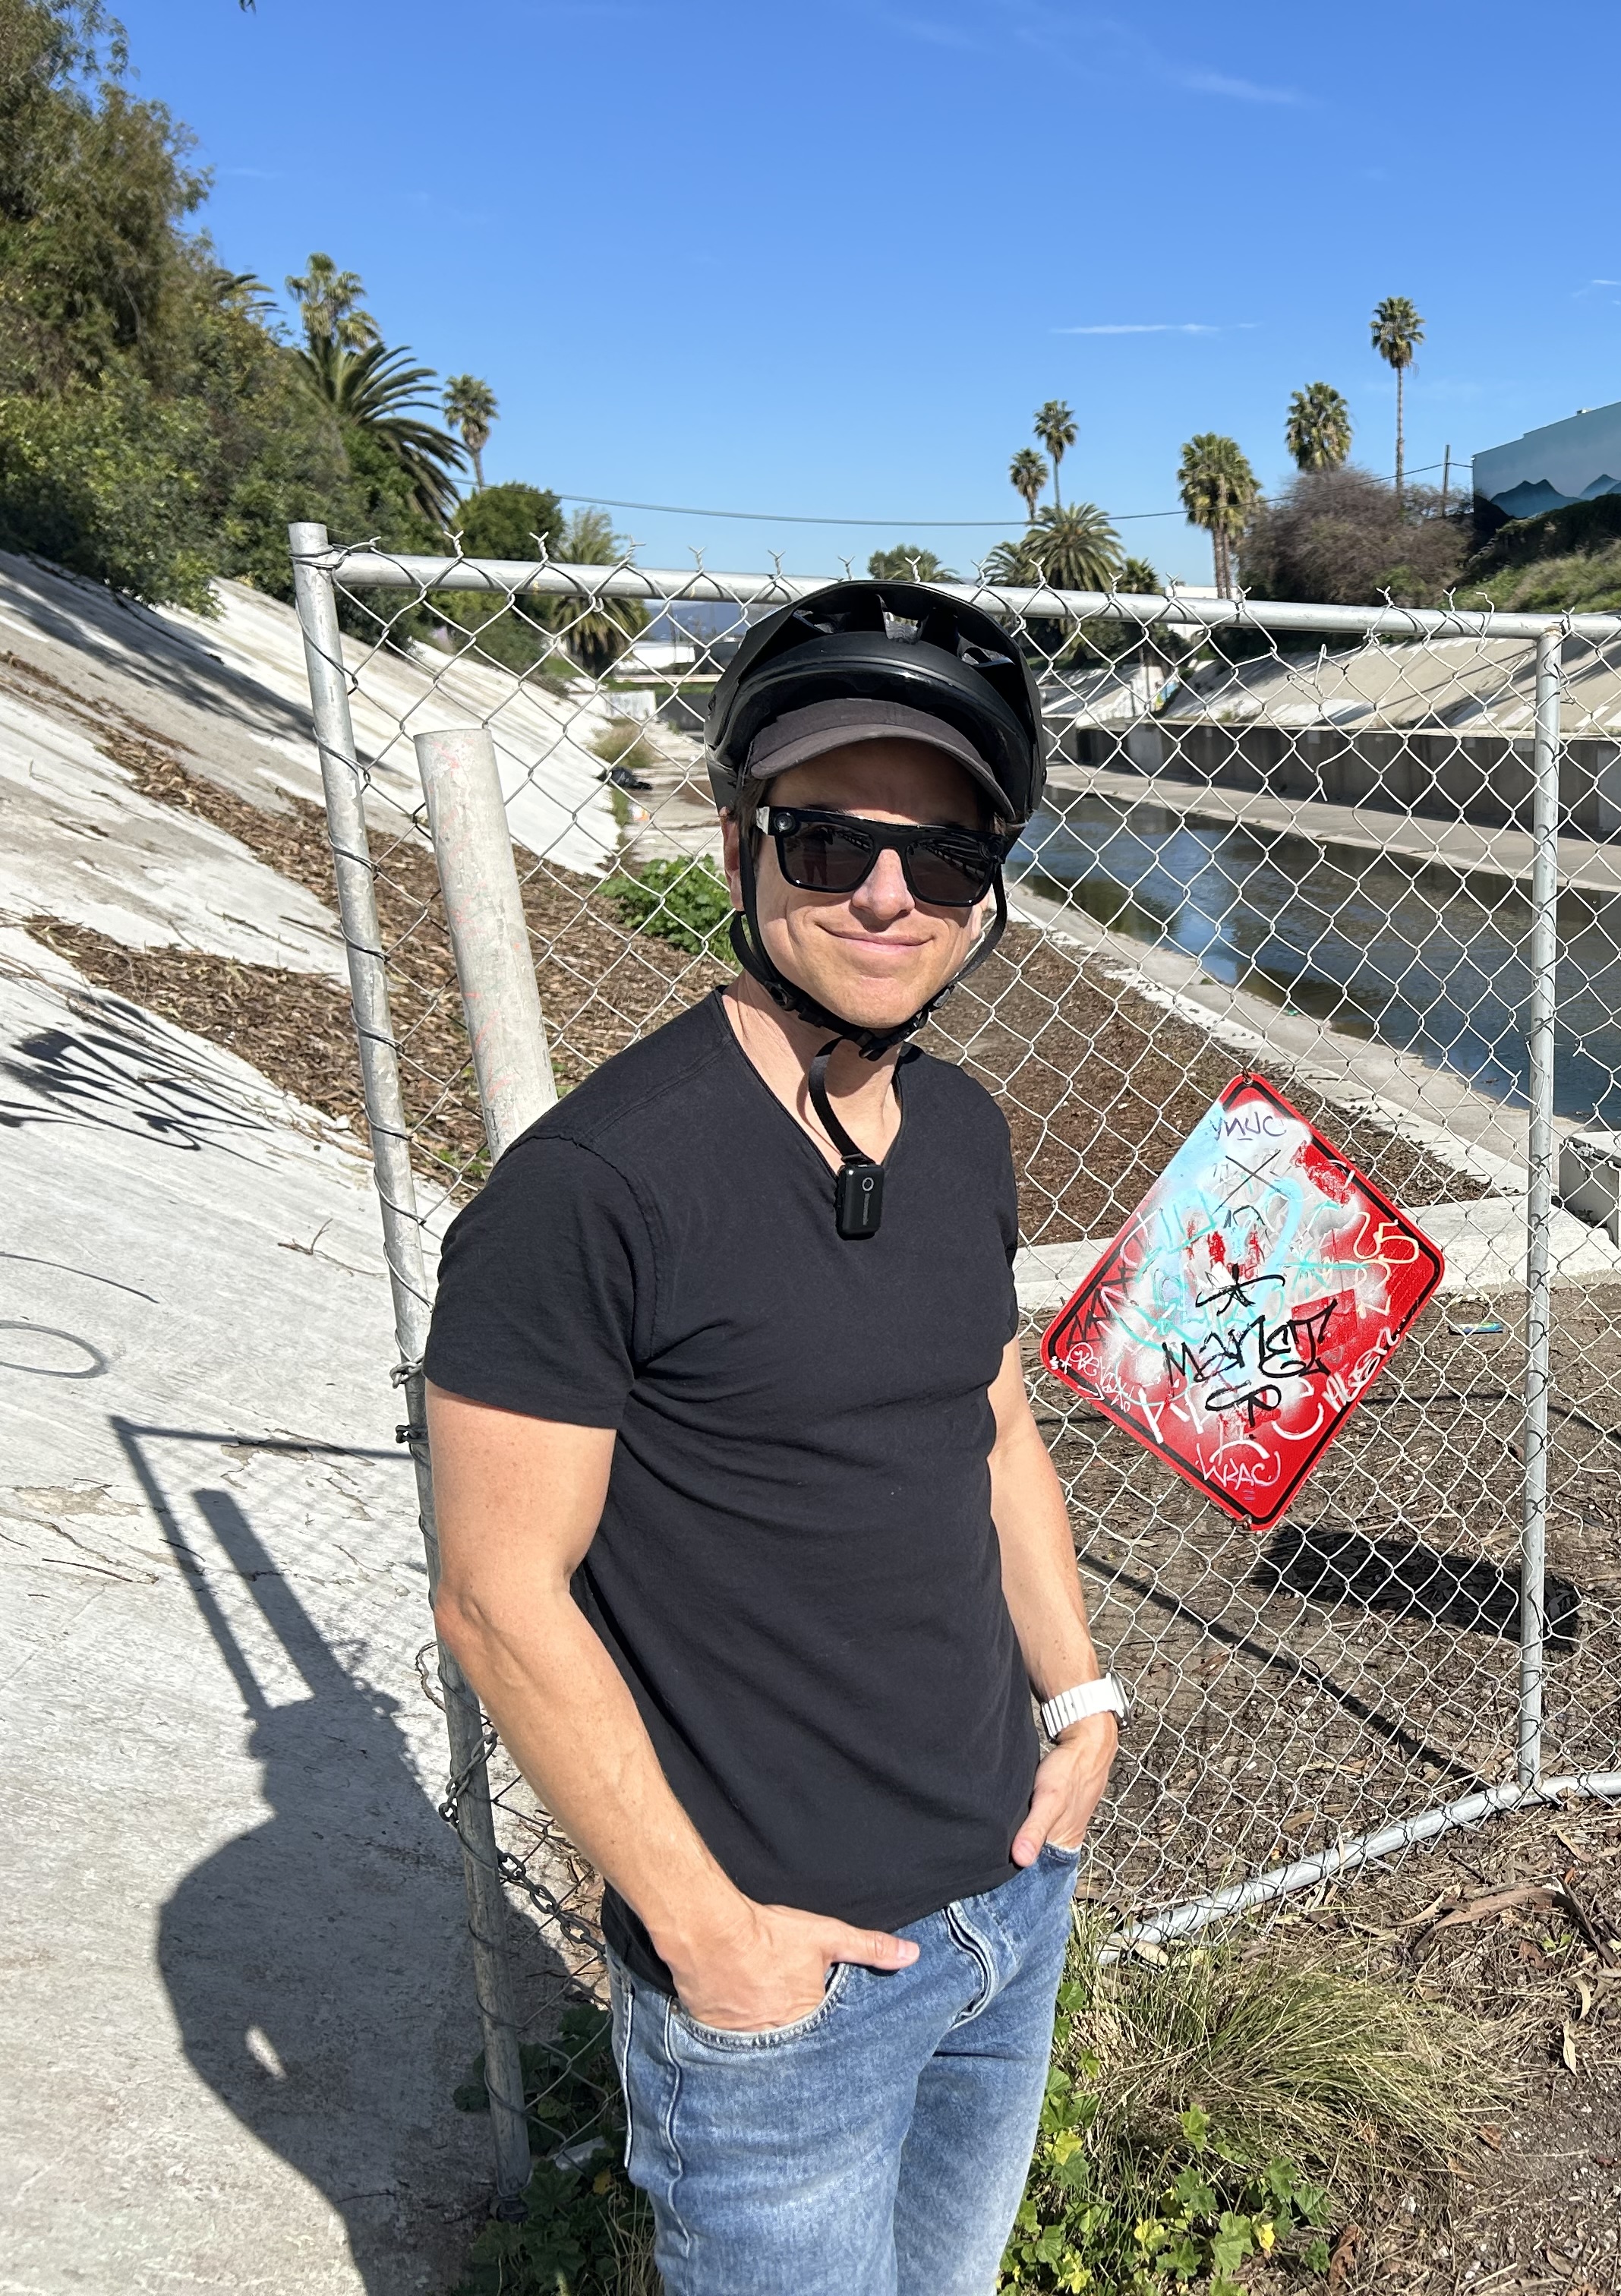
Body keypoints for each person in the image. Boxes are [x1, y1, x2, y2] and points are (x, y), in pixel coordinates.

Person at [423, 580, 1124, 2294]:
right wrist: (710, 1936)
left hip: (1008, 1906)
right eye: (830, 842)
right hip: (784, 1979)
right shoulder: (592, 1191)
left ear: (989, 895)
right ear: (741, 841)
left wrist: (1084, 1699)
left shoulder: (961, 1128)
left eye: (945, 858)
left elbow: (991, 1423)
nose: (890, 893)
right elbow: (500, 1598)